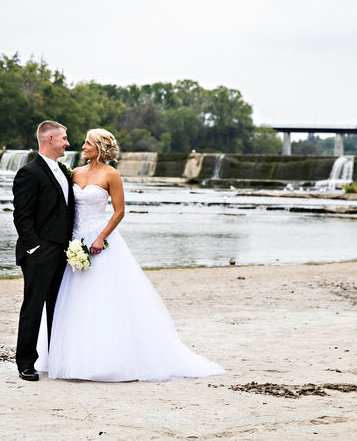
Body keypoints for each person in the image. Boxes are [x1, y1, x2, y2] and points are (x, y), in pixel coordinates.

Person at [35, 128, 224, 381]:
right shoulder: (75, 173)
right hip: (74, 241)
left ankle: (105, 359)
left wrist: (101, 237)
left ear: (99, 147)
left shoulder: (111, 175)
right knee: (70, 300)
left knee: (100, 298)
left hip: (99, 240)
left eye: (88, 143)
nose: (82, 146)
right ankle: (69, 357)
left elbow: (119, 211)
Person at [12, 121, 75, 381]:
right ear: (49, 139)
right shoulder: (29, 172)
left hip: (64, 252)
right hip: (40, 253)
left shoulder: (64, 170)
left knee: (58, 308)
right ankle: (26, 362)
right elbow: (22, 216)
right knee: (34, 306)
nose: (67, 143)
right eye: (64, 138)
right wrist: (35, 248)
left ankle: (54, 358)